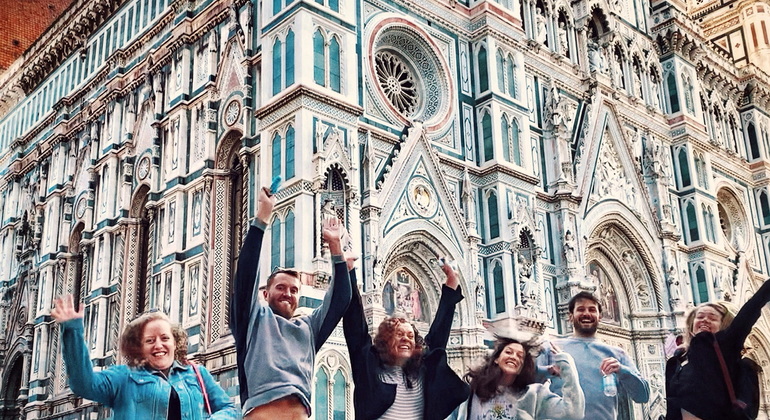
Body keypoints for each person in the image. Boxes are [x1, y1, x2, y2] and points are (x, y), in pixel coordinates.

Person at [230, 186, 352, 420]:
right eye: (280, 287)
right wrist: (262, 218)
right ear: (265, 294)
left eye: (294, 290)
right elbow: (245, 276)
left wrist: (335, 246)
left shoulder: (308, 328)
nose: (288, 293)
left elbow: (340, 300)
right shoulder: (254, 320)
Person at [52, 295, 238, 420]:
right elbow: (83, 384)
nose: (159, 345)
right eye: (150, 340)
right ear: (139, 348)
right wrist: (72, 330)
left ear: (175, 342)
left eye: (165, 338)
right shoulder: (123, 378)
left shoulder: (197, 374)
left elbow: (230, 410)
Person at [343, 257, 469, 420]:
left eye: (410, 336)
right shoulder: (370, 369)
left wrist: (452, 283)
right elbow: (355, 329)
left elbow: (440, 332)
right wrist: (349, 272)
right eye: (399, 334)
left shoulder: (421, 371)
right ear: (385, 341)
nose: (406, 339)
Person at [665, 279, 770, 420]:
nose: (705, 320)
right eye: (700, 316)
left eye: (712, 318)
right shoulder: (676, 362)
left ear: (724, 324)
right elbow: (672, 408)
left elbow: (751, 310)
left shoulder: (726, 345)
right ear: (691, 324)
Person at [538, 291, 649, 420]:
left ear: (599, 316)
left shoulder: (617, 354)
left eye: (592, 309)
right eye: (580, 309)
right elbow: (528, 388)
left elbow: (643, 396)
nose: (586, 313)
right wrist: (548, 371)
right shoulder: (552, 348)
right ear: (570, 316)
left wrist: (622, 370)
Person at [463, 337, 585, 420]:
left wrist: (566, 364)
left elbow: (573, 413)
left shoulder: (534, 395)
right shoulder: (474, 391)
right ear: (496, 359)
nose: (514, 357)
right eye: (509, 352)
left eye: (520, 356)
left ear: (522, 367)